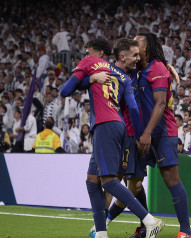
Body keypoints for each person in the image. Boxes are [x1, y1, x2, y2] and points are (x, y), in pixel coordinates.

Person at [60, 38, 163, 238]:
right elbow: (132, 108)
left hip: (104, 125)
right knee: (92, 181)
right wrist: (139, 134)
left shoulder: (89, 63)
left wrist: (89, 79)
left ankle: (150, 220)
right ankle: (100, 232)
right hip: (119, 126)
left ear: (97, 52)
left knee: (108, 181)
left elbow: (65, 90)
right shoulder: (123, 76)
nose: (86, 53)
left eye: (88, 50)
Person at [134, 32, 191, 238]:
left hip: (162, 132)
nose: (133, 46)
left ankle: (186, 230)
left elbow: (159, 103)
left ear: (147, 47)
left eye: (136, 43)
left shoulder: (157, 68)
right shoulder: (139, 70)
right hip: (143, 134)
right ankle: (146, 225)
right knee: (135, 181)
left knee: (171, 179)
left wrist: (147, 133)